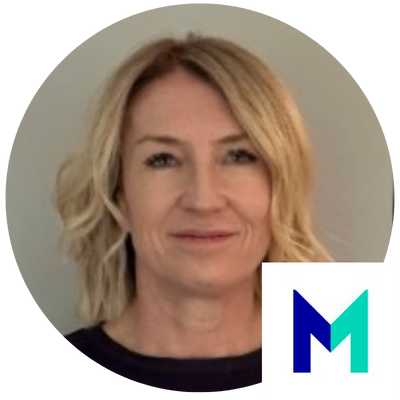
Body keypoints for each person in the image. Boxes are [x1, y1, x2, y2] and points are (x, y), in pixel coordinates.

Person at [54, 32, 333, 395]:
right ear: (118, 194)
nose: (204, 199)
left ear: (281, 185)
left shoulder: (345, 357)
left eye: (239, 156)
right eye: (163, 160)